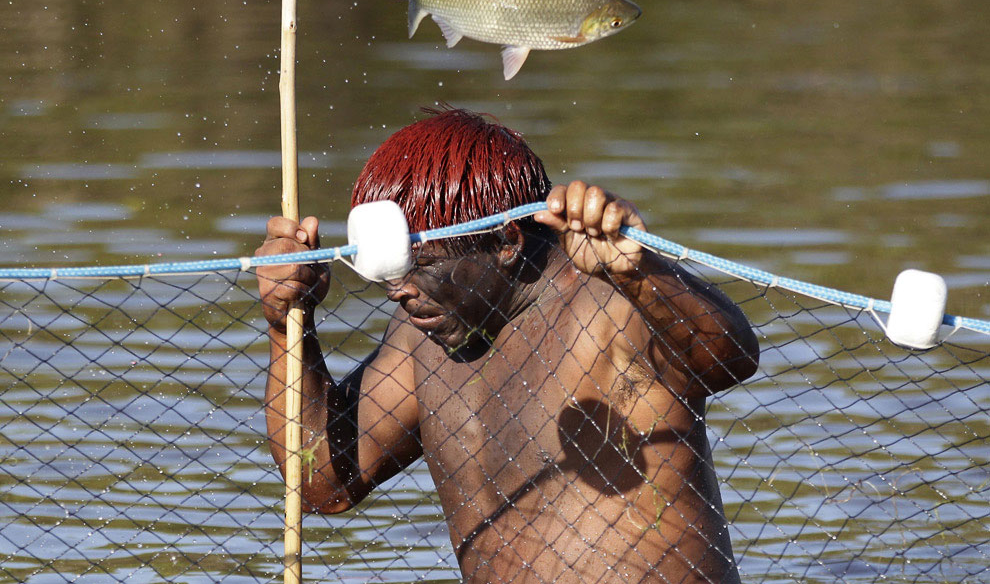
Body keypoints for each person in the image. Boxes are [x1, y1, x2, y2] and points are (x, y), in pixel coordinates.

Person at [256, 107, 759, 583]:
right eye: (391, 271)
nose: (401, 290)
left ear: (506, 242)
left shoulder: (612, 302)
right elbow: (324, 483)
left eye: (422, 264)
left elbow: (729, 360)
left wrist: (640, 272)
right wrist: (287, 324)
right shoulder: (421, 341)